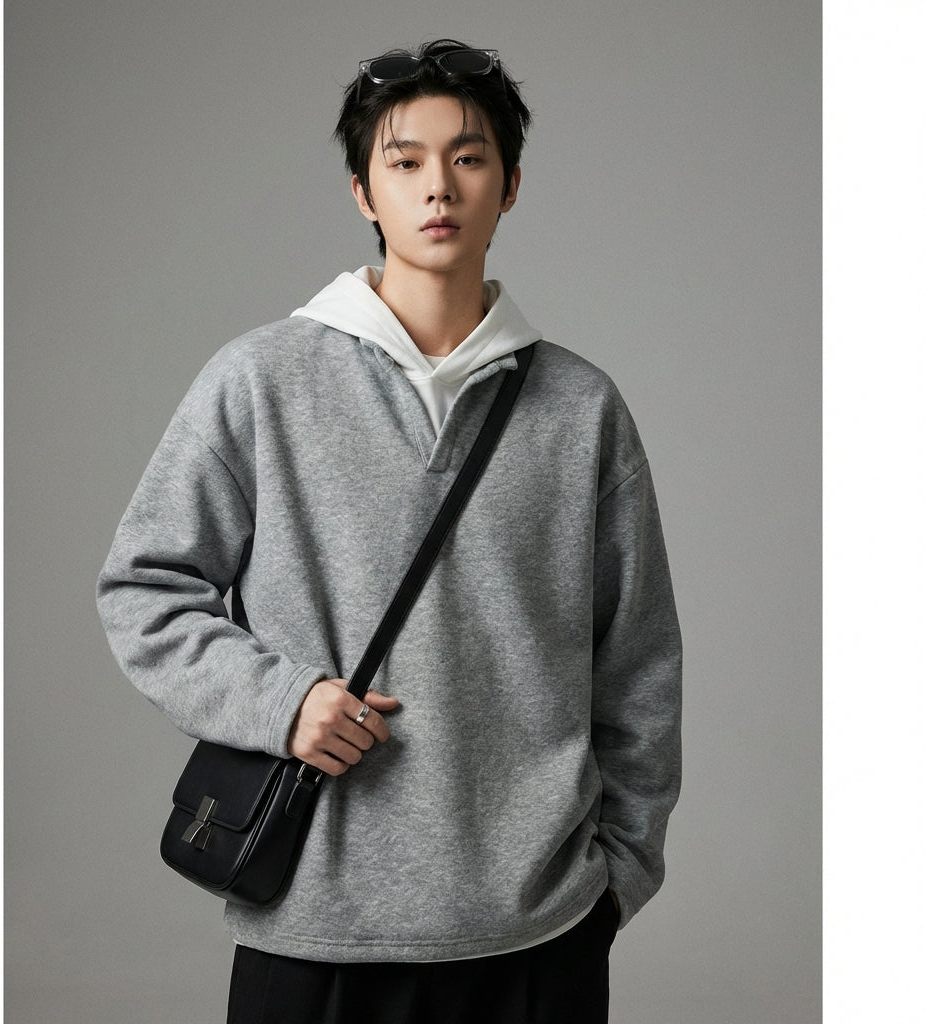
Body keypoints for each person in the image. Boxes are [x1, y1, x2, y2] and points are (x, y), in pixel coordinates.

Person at [97, 38, 682, 1024]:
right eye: (405, 161)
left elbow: (637, 660)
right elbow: (143, 589)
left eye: (469, 157)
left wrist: (618, 875)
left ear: (509, 186)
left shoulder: (581, 407)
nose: (438, 186)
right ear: (363, 192)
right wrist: (281, 702)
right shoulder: (261, 379)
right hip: (311, 930)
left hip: (538, 937)